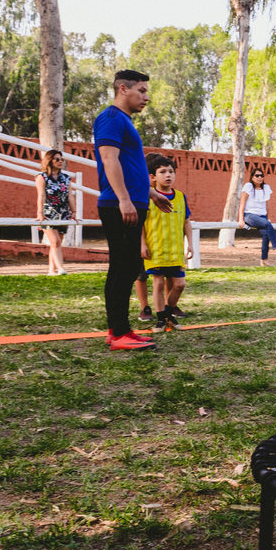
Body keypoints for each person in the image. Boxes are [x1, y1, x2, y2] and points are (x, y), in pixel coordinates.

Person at [93, 69, 172, 351]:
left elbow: (129, 168)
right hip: (119, 205)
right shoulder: (111, 119)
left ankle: (120, 330)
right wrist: (124, 199)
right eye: (141, 91)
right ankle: (118, 334)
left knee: (126, 269)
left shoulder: (123, 122)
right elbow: (108, 159)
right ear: (123, 89)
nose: (146, 97)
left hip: (131, 202)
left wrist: (150, 193)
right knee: (122, 269)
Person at [141, 154, 193, 331]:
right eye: (162, 172)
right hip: (155, 249)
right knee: (159, 283)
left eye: (171, 171)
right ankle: (161, 319)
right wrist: (142, 244)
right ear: (152, 177)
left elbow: (186, 222)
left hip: (175, 250)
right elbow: (141, 223)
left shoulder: (180, 197)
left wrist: (190, 244)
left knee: (180, 285)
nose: (168, 175)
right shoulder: (147, 197)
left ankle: (168, 313)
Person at [34, 149, 73, 276]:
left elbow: (70, 196)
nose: (60, 161)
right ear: (49, 160)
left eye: (61, 159)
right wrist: (40, 213)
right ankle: (61, 268)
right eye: (57, 159)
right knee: (55, 242)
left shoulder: (66, 178)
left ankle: (52, 270)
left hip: (63, 213)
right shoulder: (42, 177)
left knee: (56, 243)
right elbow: (41, 195)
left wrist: (74, 211)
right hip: (48, 213)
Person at [239, 167, 276, 265]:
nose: (259, 177)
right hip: (249, 215)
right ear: (252, 177)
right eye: (257, 175)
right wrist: (241, 220)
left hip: (262, 216)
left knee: (265, 235)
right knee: (267, 225)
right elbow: (242, 204)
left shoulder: (266, 188)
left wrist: (268, 217)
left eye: (261, 176)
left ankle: (264, 260)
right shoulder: (248, 186)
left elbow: (267, 205)